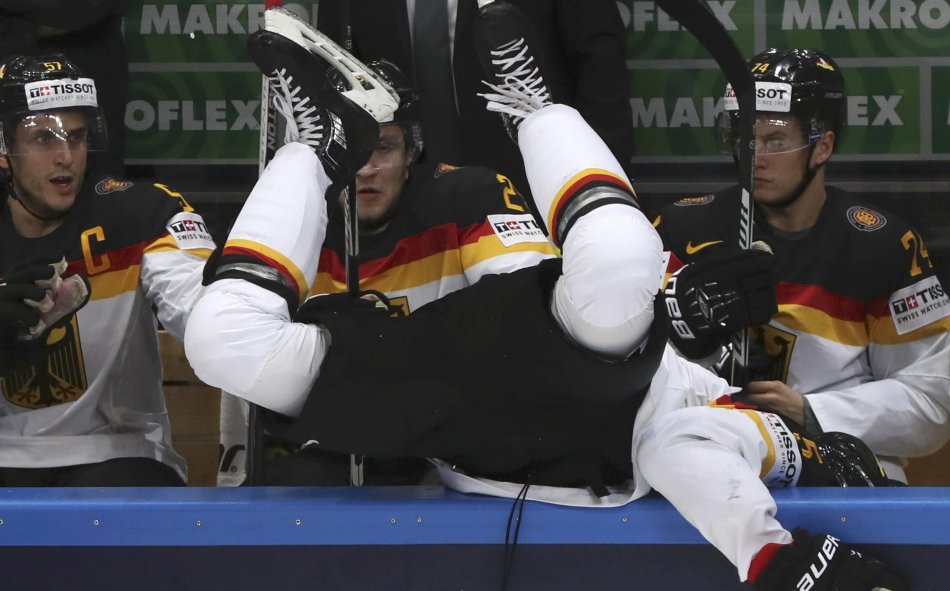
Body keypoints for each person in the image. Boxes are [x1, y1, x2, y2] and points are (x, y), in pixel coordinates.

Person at [185, 5, 907, 589]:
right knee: (619, 259)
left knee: (219, 339)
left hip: (469, 417)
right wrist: (670, 310)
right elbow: (564, 294)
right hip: (569, 375)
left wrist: (775, 557)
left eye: (387, 149)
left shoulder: (465, 193)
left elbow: (680, 448)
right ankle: (532, 108)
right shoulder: (764, 432)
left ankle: (312, 145)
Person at [228, 37, 556, 485]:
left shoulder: (469, 196)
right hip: (344, 441)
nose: (364, 169)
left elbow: (530, 306)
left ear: (411, 152)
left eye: (382, 148)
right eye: (352, 151)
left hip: (463, 442)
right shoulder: (298, 218)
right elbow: (245, 345)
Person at [656, 48, 950, 485]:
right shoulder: (680, 230)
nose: (754, 155)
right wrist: (691, 344)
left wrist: (810, 411)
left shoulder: (886, 246)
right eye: (742, 135)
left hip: (844, 468)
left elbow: (933, 402)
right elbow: (623, 370)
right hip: (711, 461)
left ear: (823, 146)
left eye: (776, 140)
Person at [0, 53, 214, 486]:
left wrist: (236, 307)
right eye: (44, 139)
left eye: (77, 137)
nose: (66, 157)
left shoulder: (145, 211)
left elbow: (204, 310)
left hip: (117, 452)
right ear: (4, 149)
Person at [315, 0, 634, 198]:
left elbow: (599, 65)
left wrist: (602, 179)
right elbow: (334, 68)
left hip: (534, 188)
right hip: (401, 206)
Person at [0, 1, 130, 177]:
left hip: (89, 62)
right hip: (10, 68)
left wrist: (16, 26)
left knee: (93, 175)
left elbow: (77, 10)